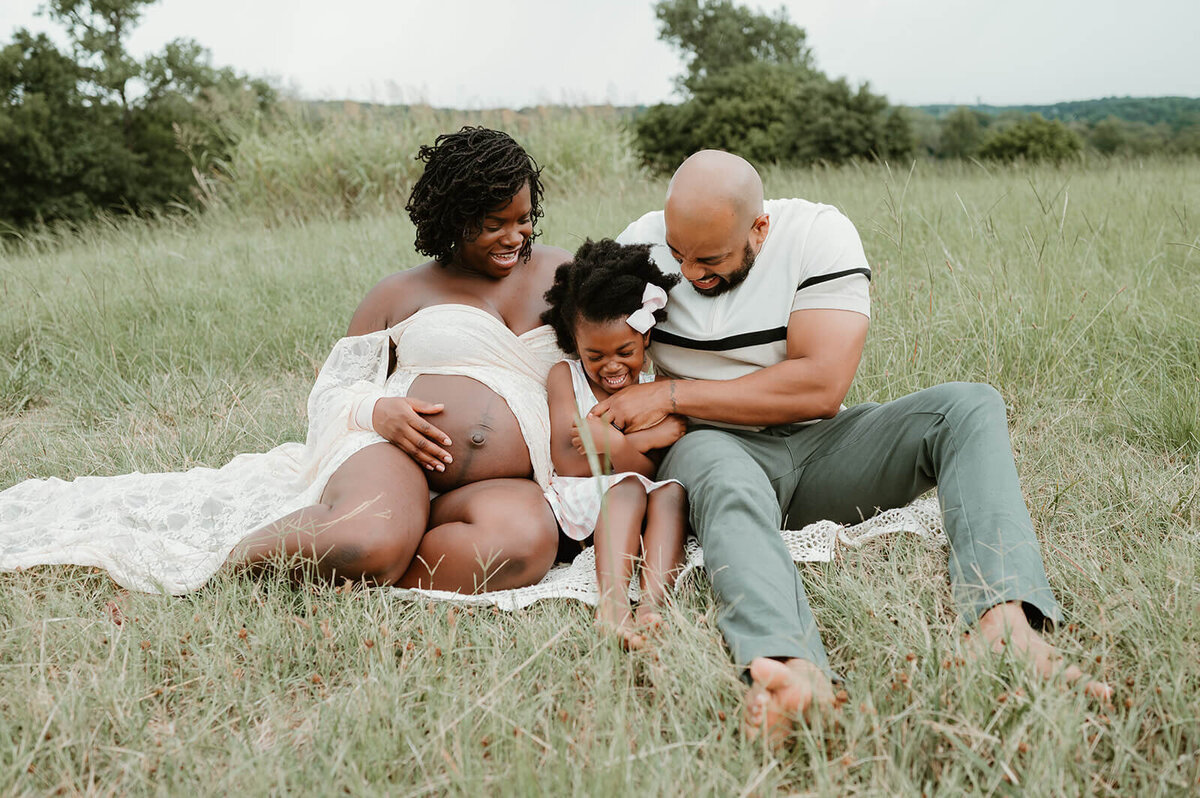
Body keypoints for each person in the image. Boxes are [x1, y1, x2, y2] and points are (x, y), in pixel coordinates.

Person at [601, 149, 1113, 743]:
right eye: (679, 253)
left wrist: (670, 395)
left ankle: (1005, 624)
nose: (689, 272)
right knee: (721, 471)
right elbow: (591, 350)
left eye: (710, 258)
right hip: (711, 446)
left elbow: (818, 386)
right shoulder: (638, 246)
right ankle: (791, 669)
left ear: (759, 228)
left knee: (969, 405)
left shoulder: (819, 235)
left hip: (822, 445)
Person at [1, 127, 570, 595]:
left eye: (521, 219)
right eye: (491, 224)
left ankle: (377, 570)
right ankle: (226, 570)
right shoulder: (399, 293)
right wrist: (378, 410)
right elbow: (333, 391)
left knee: (521, 549)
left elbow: (614, 349)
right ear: (450, 219)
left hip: (508, 479)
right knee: (367, 542)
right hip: (392, 456)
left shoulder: (562, 274)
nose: (512, 237)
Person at [540, 239, 689, 649]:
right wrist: (643, 441)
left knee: (673, 493)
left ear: (646, 339)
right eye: (595, 356)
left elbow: (656, 472)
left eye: (625, 351)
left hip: (636, 494)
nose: (611, 366)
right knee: (625, 487)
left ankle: (653, 604)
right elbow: (569, 463)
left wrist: (611, 444)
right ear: (574, 344)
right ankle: (613, 605)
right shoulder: (564, 378)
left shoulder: (653, 388)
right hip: (581, 501)